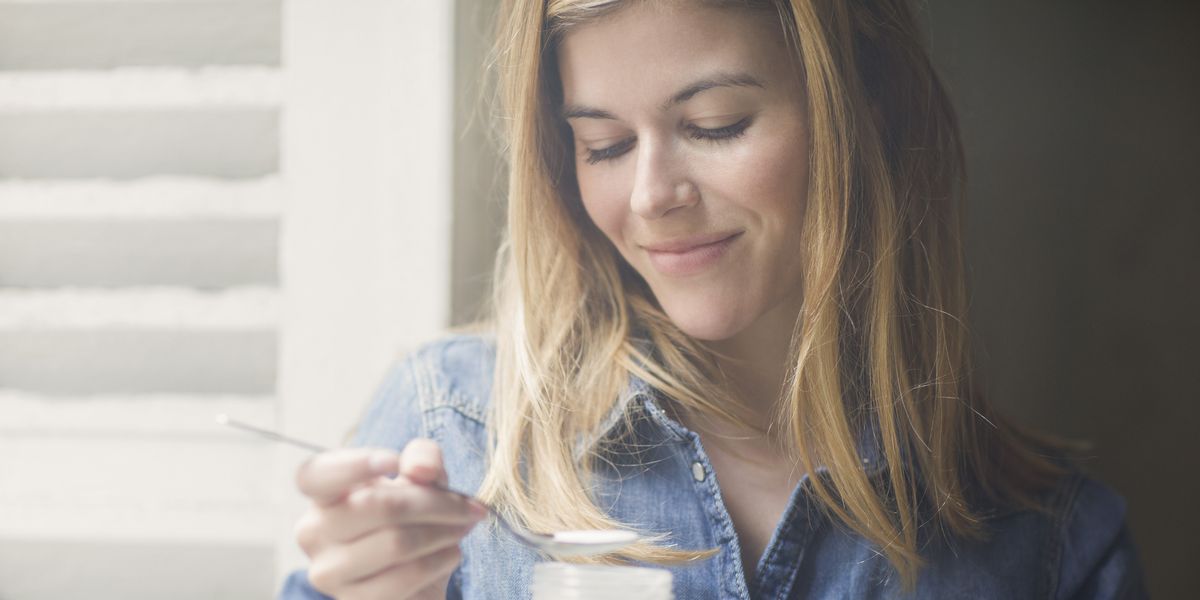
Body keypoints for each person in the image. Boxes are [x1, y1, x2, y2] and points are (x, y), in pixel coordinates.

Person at [280, 0, 1147, 598]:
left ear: (863, 108)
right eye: (606, 143)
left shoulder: (1051, 542)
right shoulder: (454, 429)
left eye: (716, 124)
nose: (654, 195)